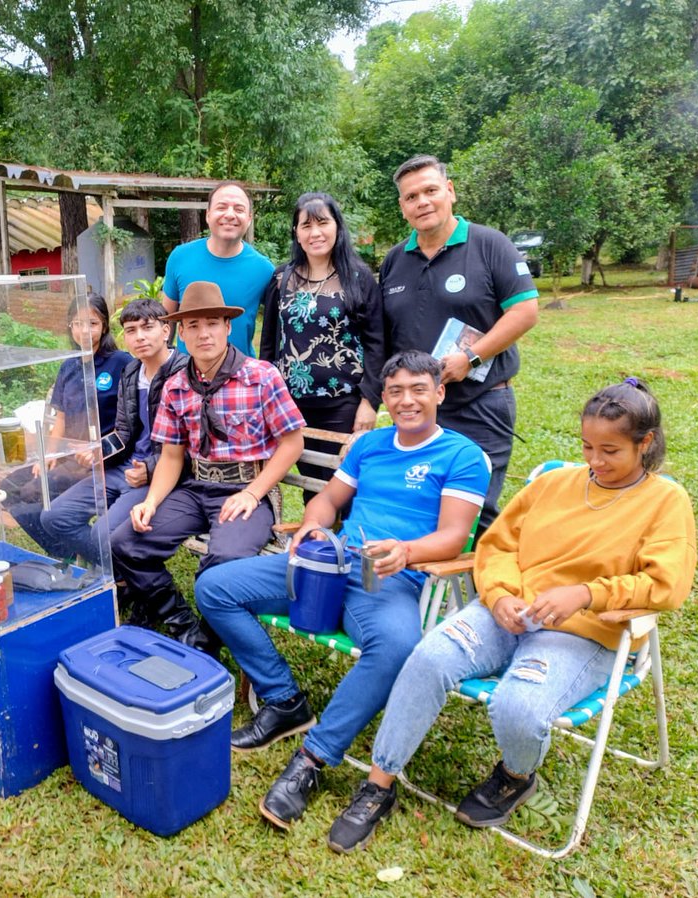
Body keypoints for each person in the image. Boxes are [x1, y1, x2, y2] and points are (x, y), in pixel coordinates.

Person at [325, 379, 697, 854]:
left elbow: (666, 584)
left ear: (645, 444)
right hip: (507, 611)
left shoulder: (665, 502)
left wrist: (584, 594)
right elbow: (497, 544)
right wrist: (498, 594)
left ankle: (516, 775)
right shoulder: (553, 484)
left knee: (517, 708)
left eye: (611, 451)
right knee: (428, 658)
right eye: (586, 447)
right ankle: (379, 784)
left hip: (586, 632)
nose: (595, 461)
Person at [196, 350, 490, 831]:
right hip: (329, 564)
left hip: (387, 577)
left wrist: (408, 551)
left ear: (440, 392)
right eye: (395, 391)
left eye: (419, 389)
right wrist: (312, 527)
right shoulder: (370, 446)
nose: (406, 400)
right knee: (214, 588)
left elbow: (454, 536)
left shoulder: (460, 456)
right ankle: (285, 701)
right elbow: (331, 500)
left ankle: (313, 759)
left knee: (396, 646)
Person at [110, 281, 305, 652]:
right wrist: (151, 501)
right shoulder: (176, 387)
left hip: (245, 490)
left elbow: (292, 443)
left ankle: (208, 637)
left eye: (212, 323)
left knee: (224, 562)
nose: (204, 334)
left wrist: (252, 493)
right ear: (180, 333)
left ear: (228, 327)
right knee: (125, 542)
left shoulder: (260, 376)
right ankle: (180, 621)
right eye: (194, 326)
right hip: (195, 488)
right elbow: (171, 455)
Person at [380, 154, 539, 534]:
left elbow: (525, 311)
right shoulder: (394, 260)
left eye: (431, 190)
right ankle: (423, 593)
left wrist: (471, 357)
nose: (422, 202)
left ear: (449, 191)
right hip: (418, 407)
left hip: (480, 403)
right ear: (402, 208)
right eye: (411, 196)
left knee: (473, 510)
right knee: (420, 504)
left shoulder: (489, 245)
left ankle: (481, 591)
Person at [38, 298, 188, 566]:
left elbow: (194, 443)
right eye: (131, 331)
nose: (139, 337)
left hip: (157, 474)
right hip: (121, 468)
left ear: (166, 330)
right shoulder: (131, 372)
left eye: (147, 328)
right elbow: (123, 430)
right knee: (54, 517)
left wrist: (150, 469)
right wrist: (98, 450)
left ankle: (121, 575)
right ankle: (117, 571)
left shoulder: (185, 373)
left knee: (101, 533)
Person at [260, 192, 384, 502]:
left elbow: (377, 343)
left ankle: (346, 545)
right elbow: (269, 344)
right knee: (311, 486)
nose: (315, 232)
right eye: (306, 225)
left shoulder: (358, 277)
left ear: (338, 227)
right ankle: (317, 545)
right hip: (291, 405)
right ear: (296, 233)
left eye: (323, 223)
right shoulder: (281, 278)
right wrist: (268, 396)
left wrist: (370, 401)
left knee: (344, 484)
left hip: (343, 403)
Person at [7, 294, 130, 554]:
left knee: (31, 493)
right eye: (77, 323)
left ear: (105, 326)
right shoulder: (69, 367)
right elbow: (60, 417)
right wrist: (49, 455)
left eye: (92, 323)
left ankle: (97, 558)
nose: (84, 330)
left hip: (103, 460)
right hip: (69, 456)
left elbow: (129, 421)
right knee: (9, 487)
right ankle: (63, 549)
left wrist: (97, 452)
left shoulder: (121, 363)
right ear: (70, 326)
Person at [162, 181, 273, 356]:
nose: (230, 215)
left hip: (241, 375)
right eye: (221, 207)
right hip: (187, 372)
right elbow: (166, 319)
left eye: (239, 209)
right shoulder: (180, 257)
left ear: (250, 218)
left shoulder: (264, 269)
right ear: (208, 215)